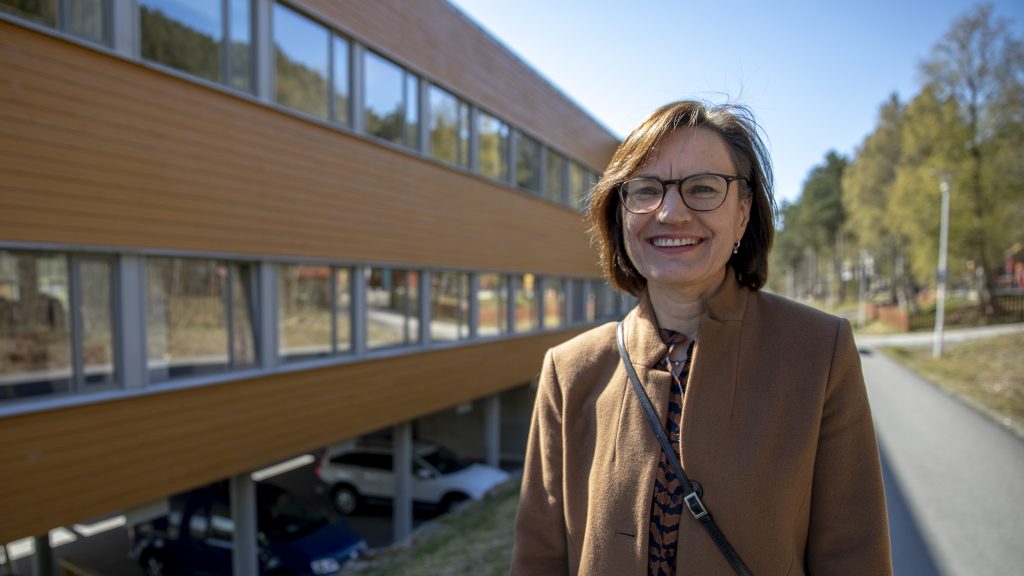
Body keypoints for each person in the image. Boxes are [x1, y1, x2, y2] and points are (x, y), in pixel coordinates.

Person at [510, 100, 892, 575]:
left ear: (743, 212)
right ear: (620, 213)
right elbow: (539, 560)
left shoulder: (819, 351)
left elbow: (855, 556)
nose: (671, 213)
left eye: (703, 188)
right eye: (646, 190)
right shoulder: (570, 370)